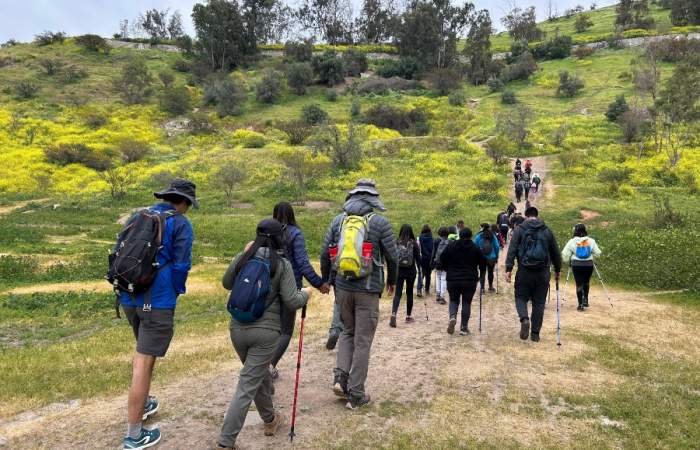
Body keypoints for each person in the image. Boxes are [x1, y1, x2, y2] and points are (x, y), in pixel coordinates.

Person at [217, 219, 310, 449]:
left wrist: (243, 253)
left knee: (258, 375)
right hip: (266, 333)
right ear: (280, 238)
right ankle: (226, 441)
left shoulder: (245, 256)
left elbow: (226, 283)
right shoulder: (282, 265)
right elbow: (291, 300)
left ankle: (270, 419)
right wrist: (306, 294)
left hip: (237, 329)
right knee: (247, 385)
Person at [120, 179, 196, 450]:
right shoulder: (180, 223)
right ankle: (134, 434)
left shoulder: (138, 215)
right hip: (157, 301)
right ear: (184, 202)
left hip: (128, 296)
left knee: (143, 354)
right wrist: (174, 292)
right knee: (143, 361)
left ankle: (145, 401)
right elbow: (181, 265)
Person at [320, 179, 398, 409]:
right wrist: (391, 281)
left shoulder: (337, 221)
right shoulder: (379, 222)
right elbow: (392, 256)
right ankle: (356, 393)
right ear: (372, 199)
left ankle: (340, 378)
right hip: (368, 288)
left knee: (347, 332)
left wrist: (327, 280)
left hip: (342, 287)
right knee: (363, 341)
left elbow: (325, 253)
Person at [269, 202, 330, 379]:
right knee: (286, 330)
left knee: (272, 328)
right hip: (290, 286)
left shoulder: (269, 232)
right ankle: (269, 365)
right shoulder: (295, 233)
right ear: (292, 214)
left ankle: (262, 364)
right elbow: (302, 263)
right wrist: (319, 283)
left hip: (269, 285)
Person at [505, 207, 562, 343]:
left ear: (526, 216)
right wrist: (557, 270)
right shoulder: (546, 230)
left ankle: (524, 319)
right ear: (537, 216)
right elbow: (555, 252)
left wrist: (509, 268)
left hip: (524, 271)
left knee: (520, 297)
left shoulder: (520, 229)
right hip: (543, 272)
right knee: (539, 302)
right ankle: (535, 334)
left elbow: (512, 249)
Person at [439, 227, 486, 335]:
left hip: (452, 279)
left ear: (459, 235)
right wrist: (481, 275)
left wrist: (448, 269)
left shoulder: (451, 246)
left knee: (453, 300)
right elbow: (483, 263)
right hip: (469, 280)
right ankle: (464, 328)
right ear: (470, 236)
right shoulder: (475, 247)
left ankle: (452, 317)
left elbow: (442, 258)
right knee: (466, 302)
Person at [561, 223, 602, 311]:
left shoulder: (571, 241)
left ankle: (580, 305)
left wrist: (568, 259)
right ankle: (586, 300)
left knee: (579, 284)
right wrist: (591, 254)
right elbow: (598, 253)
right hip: (588, 265)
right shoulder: (591, 241)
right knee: (586, 282)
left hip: (576, 265)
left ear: (575, 231)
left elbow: (564, 255)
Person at [390, 224, 421, 327]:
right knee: (409, 293)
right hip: (411, 271)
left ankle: (394, 314)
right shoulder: (414, 243)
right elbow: (418, 260)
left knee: (398, 293)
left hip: (399, 271)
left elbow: (393, 258)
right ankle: (408, 316)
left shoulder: (396, 242)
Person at [474, 223, 500, 293]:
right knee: (490, 272)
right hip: (492, 257)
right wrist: (496, 255)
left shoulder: (478, 236)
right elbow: (497, 246)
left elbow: (474, 246)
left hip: (481, 257)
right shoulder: (493, 236)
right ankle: (490, 287)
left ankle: (482, 289)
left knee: (482, 272)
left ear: (482, 228)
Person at [431, 227, 449, 305]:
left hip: (437, 262)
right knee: (444, 278)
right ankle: (442, 296)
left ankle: (438, 295)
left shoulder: (436, 241)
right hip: (445, 263)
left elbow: (434, 252)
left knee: (438, 277)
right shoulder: (449, 242)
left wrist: (432, 261)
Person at [417, 224, 434, 298]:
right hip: (429, 258)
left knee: (421, 274)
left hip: (422, 258)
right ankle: (427, 290)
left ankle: (419, 289)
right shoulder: (431, 238)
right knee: (428, 275)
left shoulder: (420, 238)